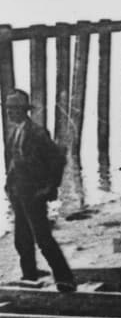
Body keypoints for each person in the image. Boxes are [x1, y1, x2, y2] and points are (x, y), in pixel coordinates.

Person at [4, 89, 76, 291]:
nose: (10, 112)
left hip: (34, 195)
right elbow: (14, 162)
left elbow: (58, 159)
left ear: (24, 110)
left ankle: (65, 279)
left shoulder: (37, 133)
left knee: (43, 239)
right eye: (8, 108)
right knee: (21, 238)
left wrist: (49, 188)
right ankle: (30, 273)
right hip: (19, 193)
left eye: (15, 108)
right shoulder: (15, 132)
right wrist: (8, 185)